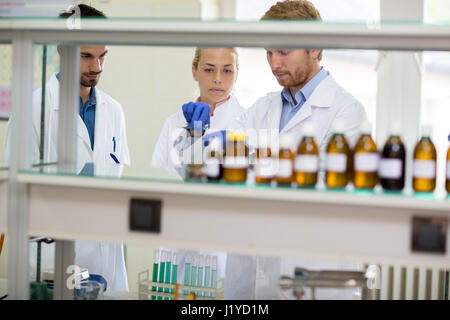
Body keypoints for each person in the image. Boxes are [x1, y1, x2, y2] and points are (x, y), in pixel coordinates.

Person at [5, 4, 130, 292]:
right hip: (53, 262)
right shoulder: (32, 108)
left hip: (105, 263)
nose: (96, 67)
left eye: (102, 56)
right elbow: (17, 196)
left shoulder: (114, 111)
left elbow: (115, 184)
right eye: (86, 56)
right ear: (61, 48)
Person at [183, 0, 368, 152]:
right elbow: (206, 168)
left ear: (315, 48)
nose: (274, 64)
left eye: (283, 51)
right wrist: (197, 134)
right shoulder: (262, 108)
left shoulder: (348, 112)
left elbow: (329, 185)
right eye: (269, 52)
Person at [151, 47, 245, 177]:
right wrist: (192, 140)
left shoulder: (248, 122)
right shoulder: (174, 122)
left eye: (227, 71)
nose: (217, 79)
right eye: (209, 70)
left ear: (236, 75)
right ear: (194, 72)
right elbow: (158, 175)